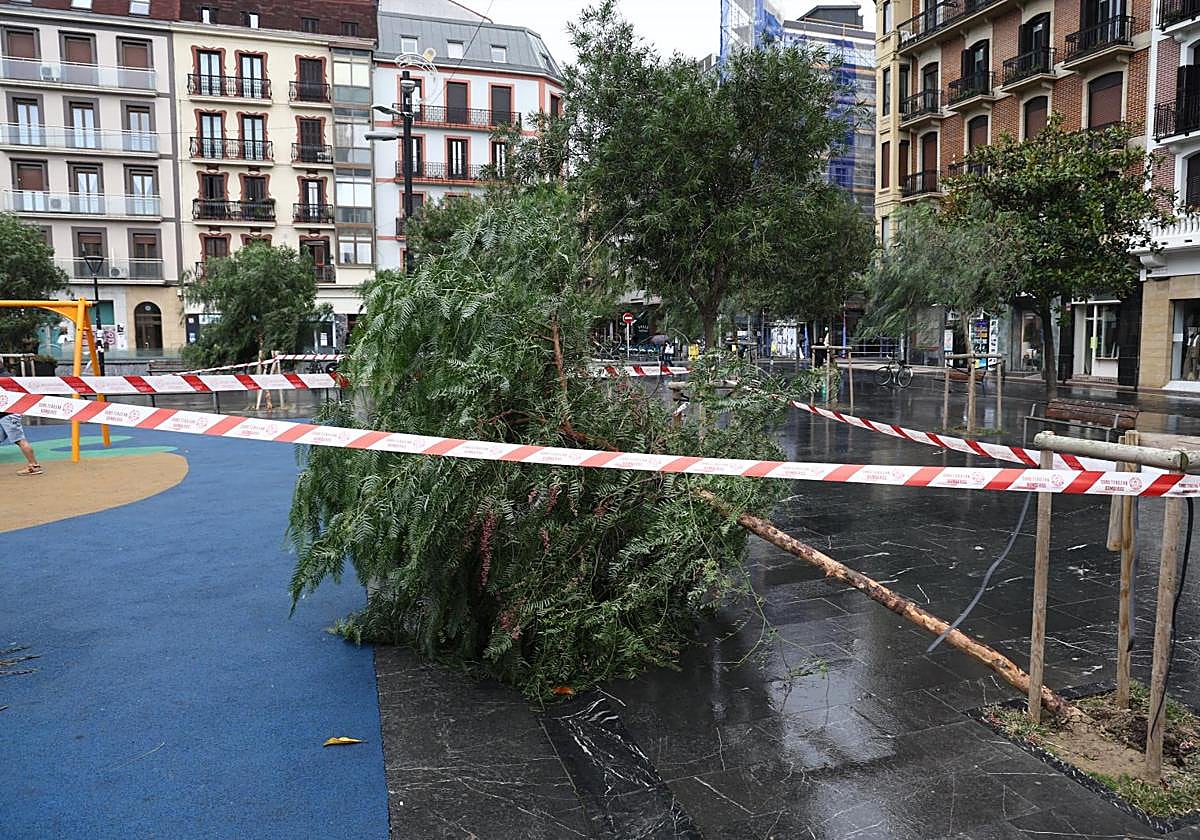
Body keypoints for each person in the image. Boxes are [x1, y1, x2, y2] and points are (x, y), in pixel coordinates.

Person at [0, 363, 43, 476]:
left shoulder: (5, 378)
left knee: (20, 440)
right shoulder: (9, 377)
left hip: (8, 414)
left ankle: (34, 465)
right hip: (7, 414)